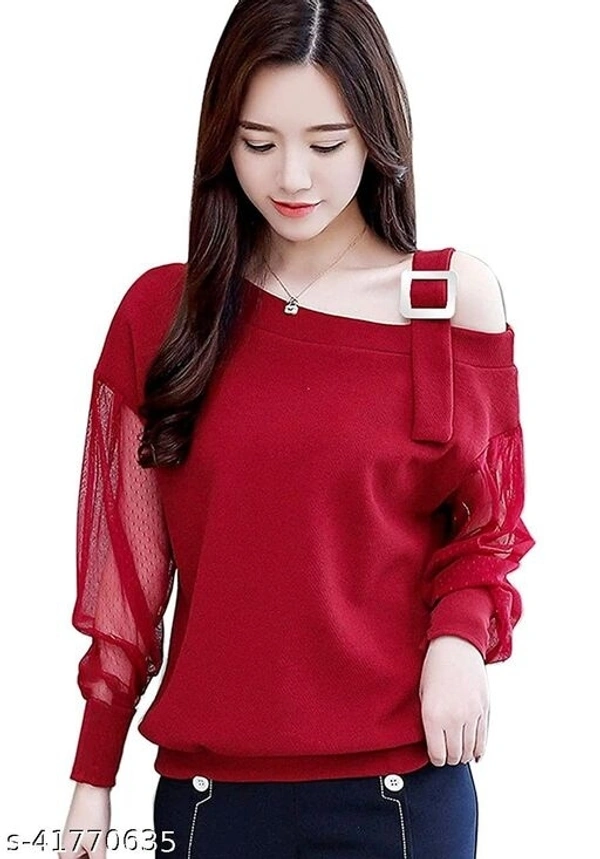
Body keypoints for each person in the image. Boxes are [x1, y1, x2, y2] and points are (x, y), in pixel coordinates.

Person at [60, 1, 536, 857]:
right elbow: (124, 582)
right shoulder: (159, 315)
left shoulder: (444, 301)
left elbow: (487, 523)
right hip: (207, 802)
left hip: (402, 790)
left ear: (376, 136)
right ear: (221, 141)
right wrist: (92, 778)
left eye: (326, 143)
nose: (291, 176)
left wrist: (461, 638)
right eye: (257, 142)